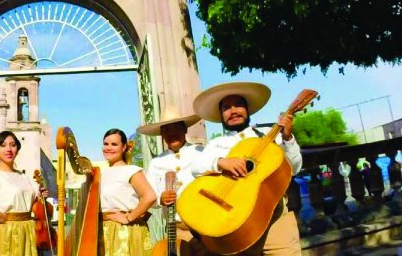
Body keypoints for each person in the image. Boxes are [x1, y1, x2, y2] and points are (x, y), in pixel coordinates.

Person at [190, 82, 302, 255]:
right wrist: (221, 162)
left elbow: (294, 168)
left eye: (238, 105)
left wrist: (287, 138)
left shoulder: (269, 134)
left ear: (247, 109)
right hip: (239, 225)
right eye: (226, 107)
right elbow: (196, 168)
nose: (233, 111)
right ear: (221, 115)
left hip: (277, 222)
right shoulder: (216, 144)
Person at [139, 108, 208, 255]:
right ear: (162, 134)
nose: (172, 133)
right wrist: (160, 199)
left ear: (184, 128)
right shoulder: (156, 163)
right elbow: (148, 196)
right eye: (166, 129)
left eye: (176, 127)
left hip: (206, 228)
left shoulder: (202, 152)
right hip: (177, 230)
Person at [100, 128, 157, 256]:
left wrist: (129, 217)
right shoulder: (100, 173)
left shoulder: (131, 170)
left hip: (124, 231)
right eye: (106, 144)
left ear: (124, 147)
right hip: (103, 231)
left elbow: (150, 196)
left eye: (114, 144)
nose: (108, 147)